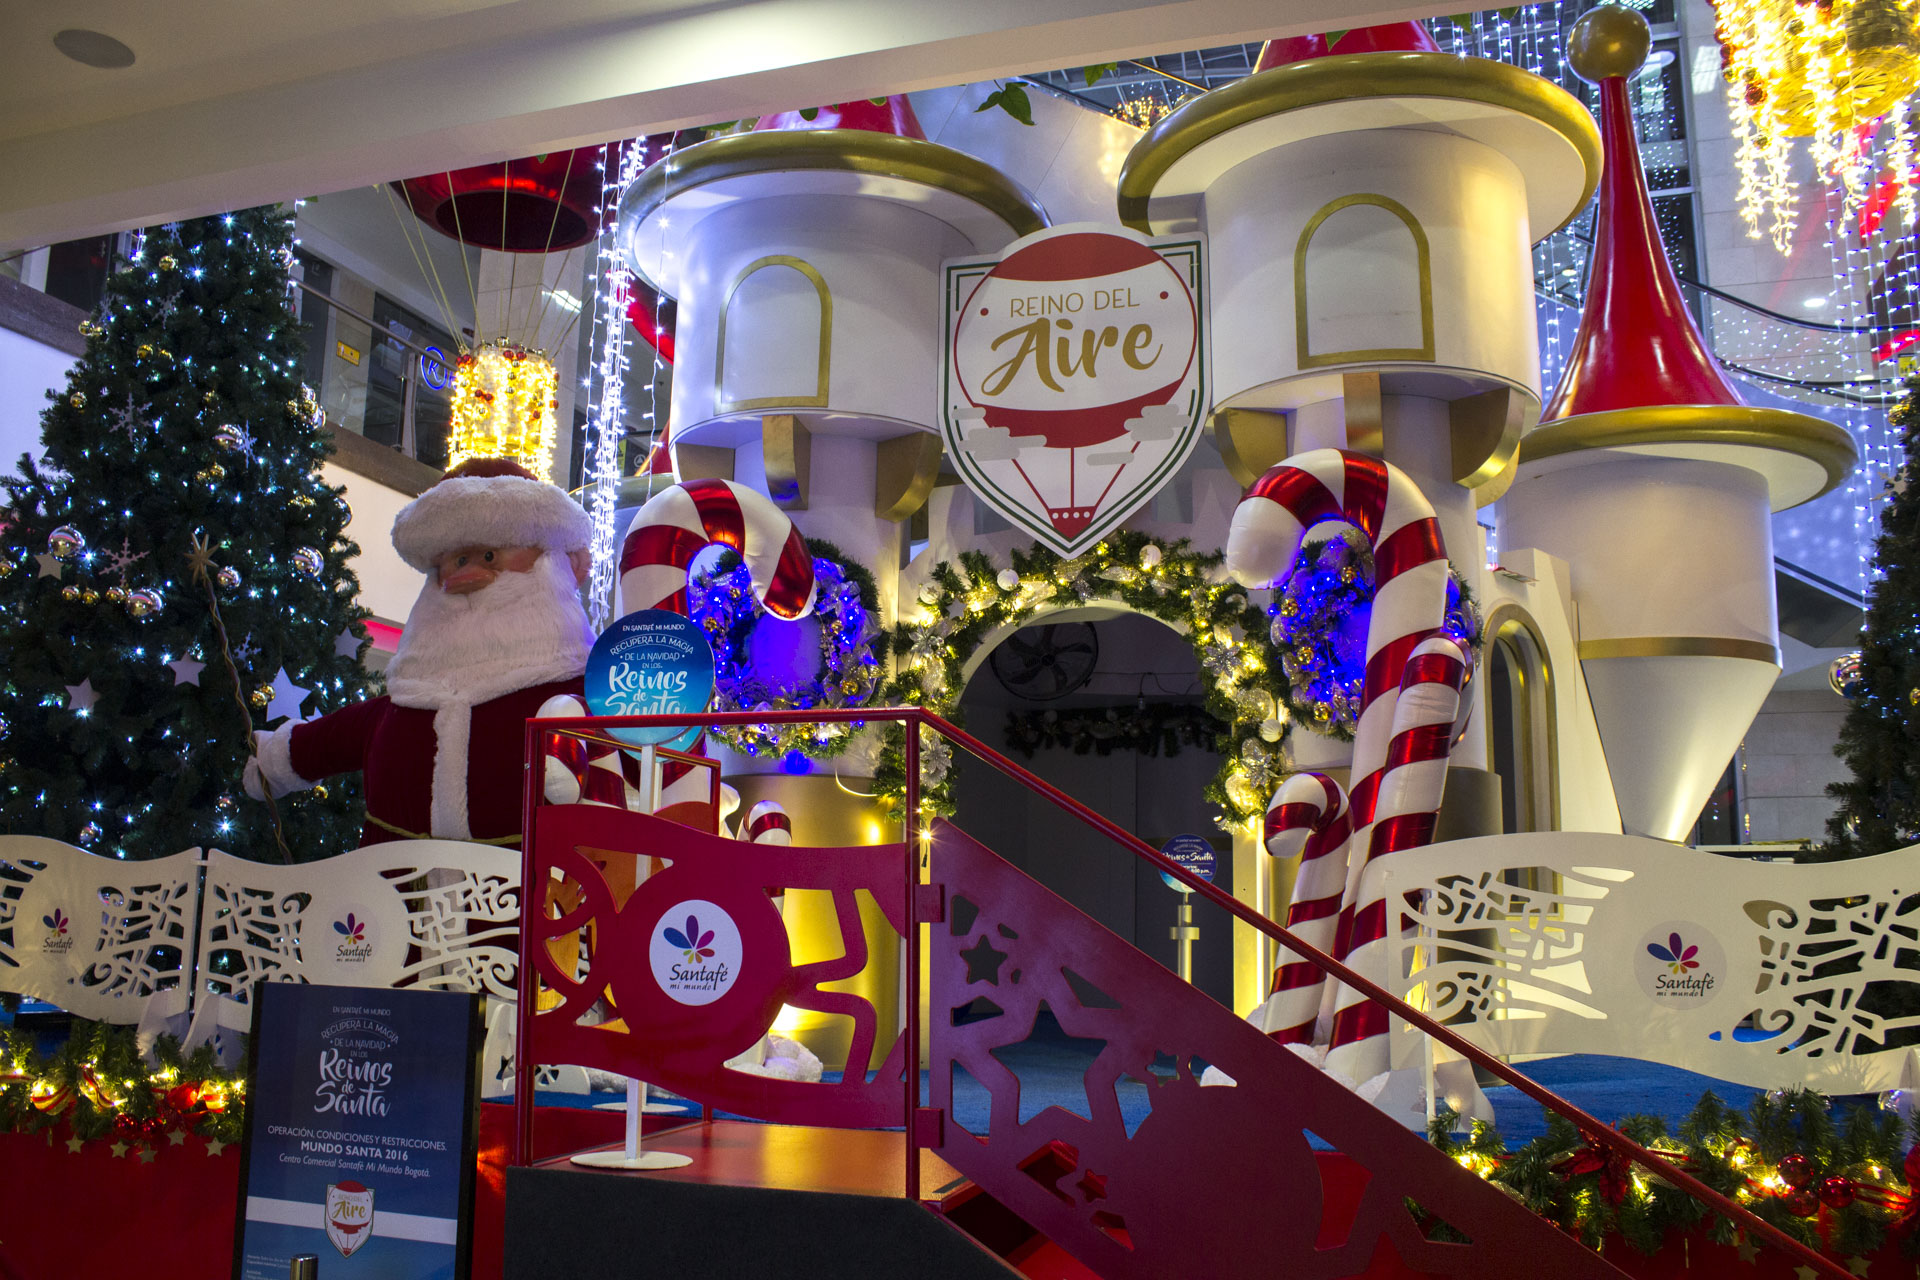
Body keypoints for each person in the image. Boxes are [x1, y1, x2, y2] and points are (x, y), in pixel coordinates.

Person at [244, 458, 593, 847]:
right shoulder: (403, 706)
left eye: (489, 556)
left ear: (560, 565)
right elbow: (337, 737)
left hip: (529, 886)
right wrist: (277, 759)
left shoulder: (581, 695)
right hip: (390, 885)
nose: (463, 574)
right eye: (455, 561)